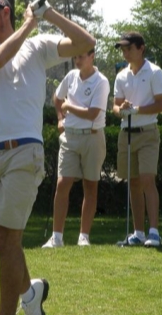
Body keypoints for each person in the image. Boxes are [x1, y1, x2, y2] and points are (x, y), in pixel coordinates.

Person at [0, 0, 95, 315]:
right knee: (2, 243)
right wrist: (28, 25)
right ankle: (31, 295)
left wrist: (48, 14)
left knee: (8, 240)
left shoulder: (38, 47)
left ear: (4, 11)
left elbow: (85, 41)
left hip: (24, 152)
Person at [42, 48, 110, 248]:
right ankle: (57, 237)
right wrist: (60, 118)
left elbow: (92, 114)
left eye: (81, 56)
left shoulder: (102, 81)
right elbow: (57, 97)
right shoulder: (71, 76)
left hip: (93, 137)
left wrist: (69, 107)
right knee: (63, 184)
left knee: (90, 186)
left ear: (92, 56)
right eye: (75, 57)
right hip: (70, 138)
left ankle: (84, 236)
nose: (77, 60)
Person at [112, 32, 162, 247]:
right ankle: (138, 232)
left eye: (129, 48)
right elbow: (115, 107)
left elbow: (161, 104)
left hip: (147, 133)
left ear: (141, 48)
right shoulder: (121, 75)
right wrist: (122, 109)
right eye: (123, 49)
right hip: (126, 133)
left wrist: (136, 109)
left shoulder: (154, 72)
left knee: (147, 180)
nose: (125, 53)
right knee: (133, 183)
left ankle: (154, 232)